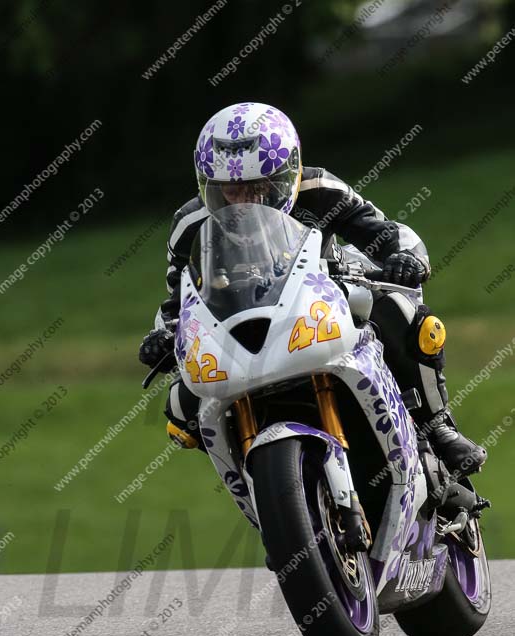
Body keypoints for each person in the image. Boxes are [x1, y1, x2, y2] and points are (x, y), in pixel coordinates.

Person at [139, 102, 486, 475]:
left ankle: (438, 427)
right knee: (182, 410)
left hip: (320, 302)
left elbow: (386, 232)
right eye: (230, 190)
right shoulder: (190, 224)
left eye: (259, 186)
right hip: (235, 325)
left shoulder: (320, 190)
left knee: (403, 312)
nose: (244, 198)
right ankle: (253, 477)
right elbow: (180, 299)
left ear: (288, 172)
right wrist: (163, 334)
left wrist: (405, 257)